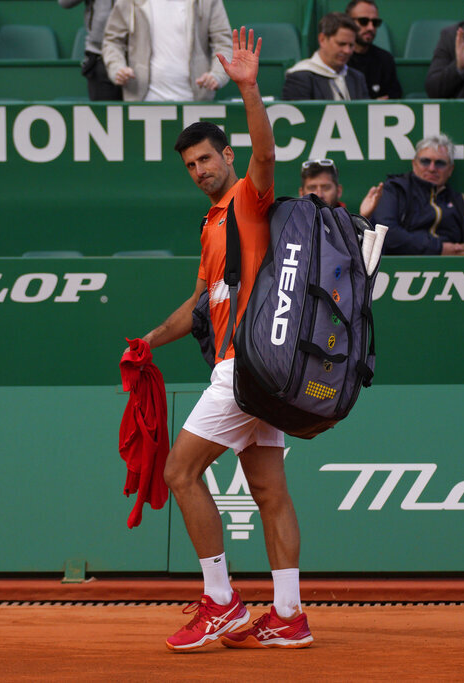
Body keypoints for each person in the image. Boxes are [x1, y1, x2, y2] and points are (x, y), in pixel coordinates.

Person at [135, 27, 312, 651]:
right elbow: (202, 304)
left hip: (246, 368)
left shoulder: (248, 198)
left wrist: (250, 88)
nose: (199, 170)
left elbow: (266, 155)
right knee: (268, 490)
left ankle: (220, 602)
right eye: (190, 165)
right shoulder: (213, 224)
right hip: (264, 373)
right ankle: (288, 614)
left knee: (179, 471)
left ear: (227, 156)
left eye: (206, 158)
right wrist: (153, 339)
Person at [372, 134, 464, 255]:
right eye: (425, 161)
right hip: (403, 270)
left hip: (453, 272)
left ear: (450, 170)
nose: (432, 168)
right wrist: (439, 249)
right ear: (414, 164)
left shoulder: (458, 201)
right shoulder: (396, 189)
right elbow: (387, 234)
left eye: (440, 163)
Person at [102, 0, 231, 102]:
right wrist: (117, 68)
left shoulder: (208, 2)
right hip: (142, 102)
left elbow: (223, 43)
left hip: (195, 101)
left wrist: (217, 75)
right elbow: (112, 41)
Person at [282, 12, 369, 100]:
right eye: (341, 44)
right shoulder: (300, 77)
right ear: (322, 39)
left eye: (351, 45)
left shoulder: (357, 78)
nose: (347, 51)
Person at [61, 0, 122, 101]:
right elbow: (64, 2)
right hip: (99, 55)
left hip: (139, 56)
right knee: (103, 114)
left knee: (141, 113)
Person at [346, 0, 402, 99]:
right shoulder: (340, 59)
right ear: (348, 22)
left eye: (375, 22)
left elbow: (395, 93)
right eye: (364, 21)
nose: (371, 27)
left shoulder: (385, 59)